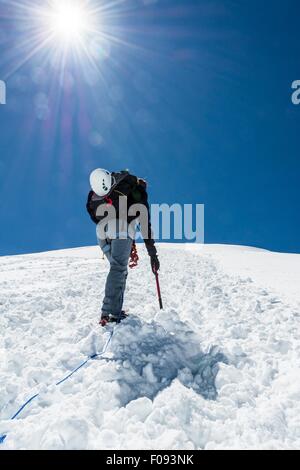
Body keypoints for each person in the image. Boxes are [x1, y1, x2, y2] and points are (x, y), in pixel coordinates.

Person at [86, 169, 160, 325]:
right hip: (121, 230)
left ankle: (114, 309)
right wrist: (153, 254)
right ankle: (109, 312)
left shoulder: (114, 186)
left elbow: (92, 213)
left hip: (102, 232)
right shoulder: (137, 192)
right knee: (118, 269)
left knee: (118, 269)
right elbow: (145, 225)